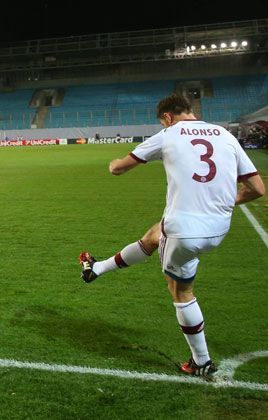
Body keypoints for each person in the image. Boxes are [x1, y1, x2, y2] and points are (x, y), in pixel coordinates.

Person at [79, 94, 264, 379]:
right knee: (155, 234)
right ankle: (98, 268)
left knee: (181, 291)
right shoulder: (225, 135)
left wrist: (112, 163)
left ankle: (200, 361)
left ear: (167, 117)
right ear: (189, 111)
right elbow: (256, 188)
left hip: (185, 231)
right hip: (218, 227)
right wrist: (225, 201)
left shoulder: (167, 134)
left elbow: (118, 168)